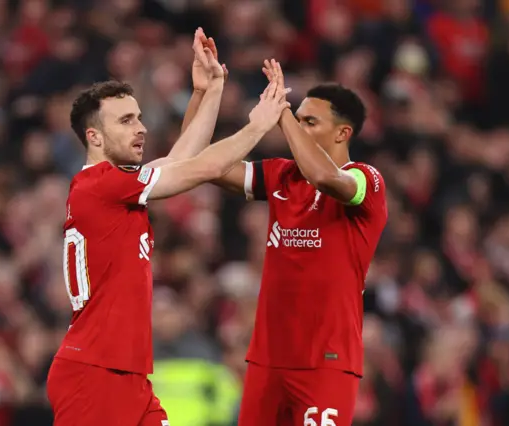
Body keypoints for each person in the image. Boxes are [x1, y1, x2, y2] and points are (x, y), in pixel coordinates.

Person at [45, 27, 291, 426]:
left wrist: (209, 89)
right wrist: (259, 125)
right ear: (94, 136)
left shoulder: (119, 188)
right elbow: (204, 168)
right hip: (93, 373)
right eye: (126, 121)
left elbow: (182, 157)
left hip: (129, 375)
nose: (140, 128)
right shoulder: (98, 185)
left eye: (139, 118)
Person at [189, 58, 388, 425]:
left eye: (308, 121)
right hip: (268, 359)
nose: (297, 125)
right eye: (297, 118)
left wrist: (280, 113)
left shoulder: (365, 180)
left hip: (326, 362)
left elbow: (324, 176)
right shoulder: (282, 176)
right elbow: (200, 163)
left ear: (343, 133)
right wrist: (205, 93)